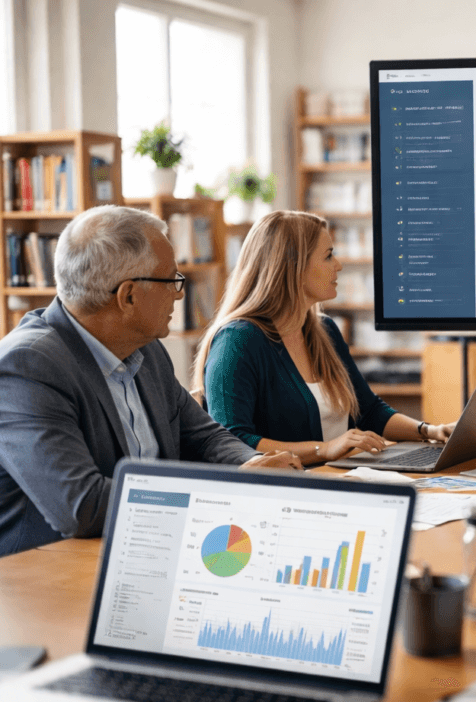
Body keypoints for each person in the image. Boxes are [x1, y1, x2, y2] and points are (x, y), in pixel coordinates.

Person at [0, 206, 299, 557]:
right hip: (49, 575)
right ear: (128, 295)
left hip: (143, 551)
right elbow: (82, 507)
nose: (179, 294)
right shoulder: (27, 367)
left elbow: (202, 436)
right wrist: (225, 489)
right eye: (172, 280)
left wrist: (249, 466)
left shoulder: (146, 349)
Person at [195, 211, 453, 464]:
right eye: (329, 256)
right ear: (291, 266)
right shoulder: (237, 341)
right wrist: (324, 449)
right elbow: (232, 441)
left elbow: (369, 411)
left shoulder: (324, 331)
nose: (338, 265)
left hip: (340, 479)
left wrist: (429, 431)